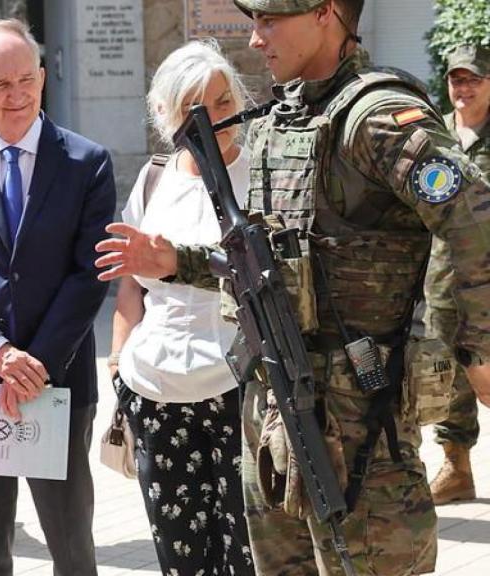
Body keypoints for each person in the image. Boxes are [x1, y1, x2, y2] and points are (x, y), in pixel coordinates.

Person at [96, 0, 490, 573]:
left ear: (327, 13)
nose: (256, 40)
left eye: (270, 21)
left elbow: (475, 218)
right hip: (274, 399)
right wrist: (178, 261)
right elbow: (269, 257)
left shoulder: (376, 117)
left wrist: (477, 346)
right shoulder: (284, 118)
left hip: (360, 412)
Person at [0, 19, 116, 576]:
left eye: (25, 80)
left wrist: (36, 364)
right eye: (0, 84)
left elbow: (90, 274)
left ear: (43, 78)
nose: (16, 95)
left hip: (58, 379)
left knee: (71, 544)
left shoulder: (87, 162)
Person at [107, 39, 254, 576]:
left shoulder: (261, 175)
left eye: (221, 102)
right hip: (155, 391)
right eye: (193, 108)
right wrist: (118, 362)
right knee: (180, 556)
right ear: (165, 116)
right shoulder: (154, 179)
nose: (212, 119)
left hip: (238, 390)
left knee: (246, 551)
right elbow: (131, 287)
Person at [425, 43, 490, 506]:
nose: (463, 88)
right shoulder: (436, 136)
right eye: (456, 79)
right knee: (448, 374)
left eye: (474, 79)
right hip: (444, 280)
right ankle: (457, 467)